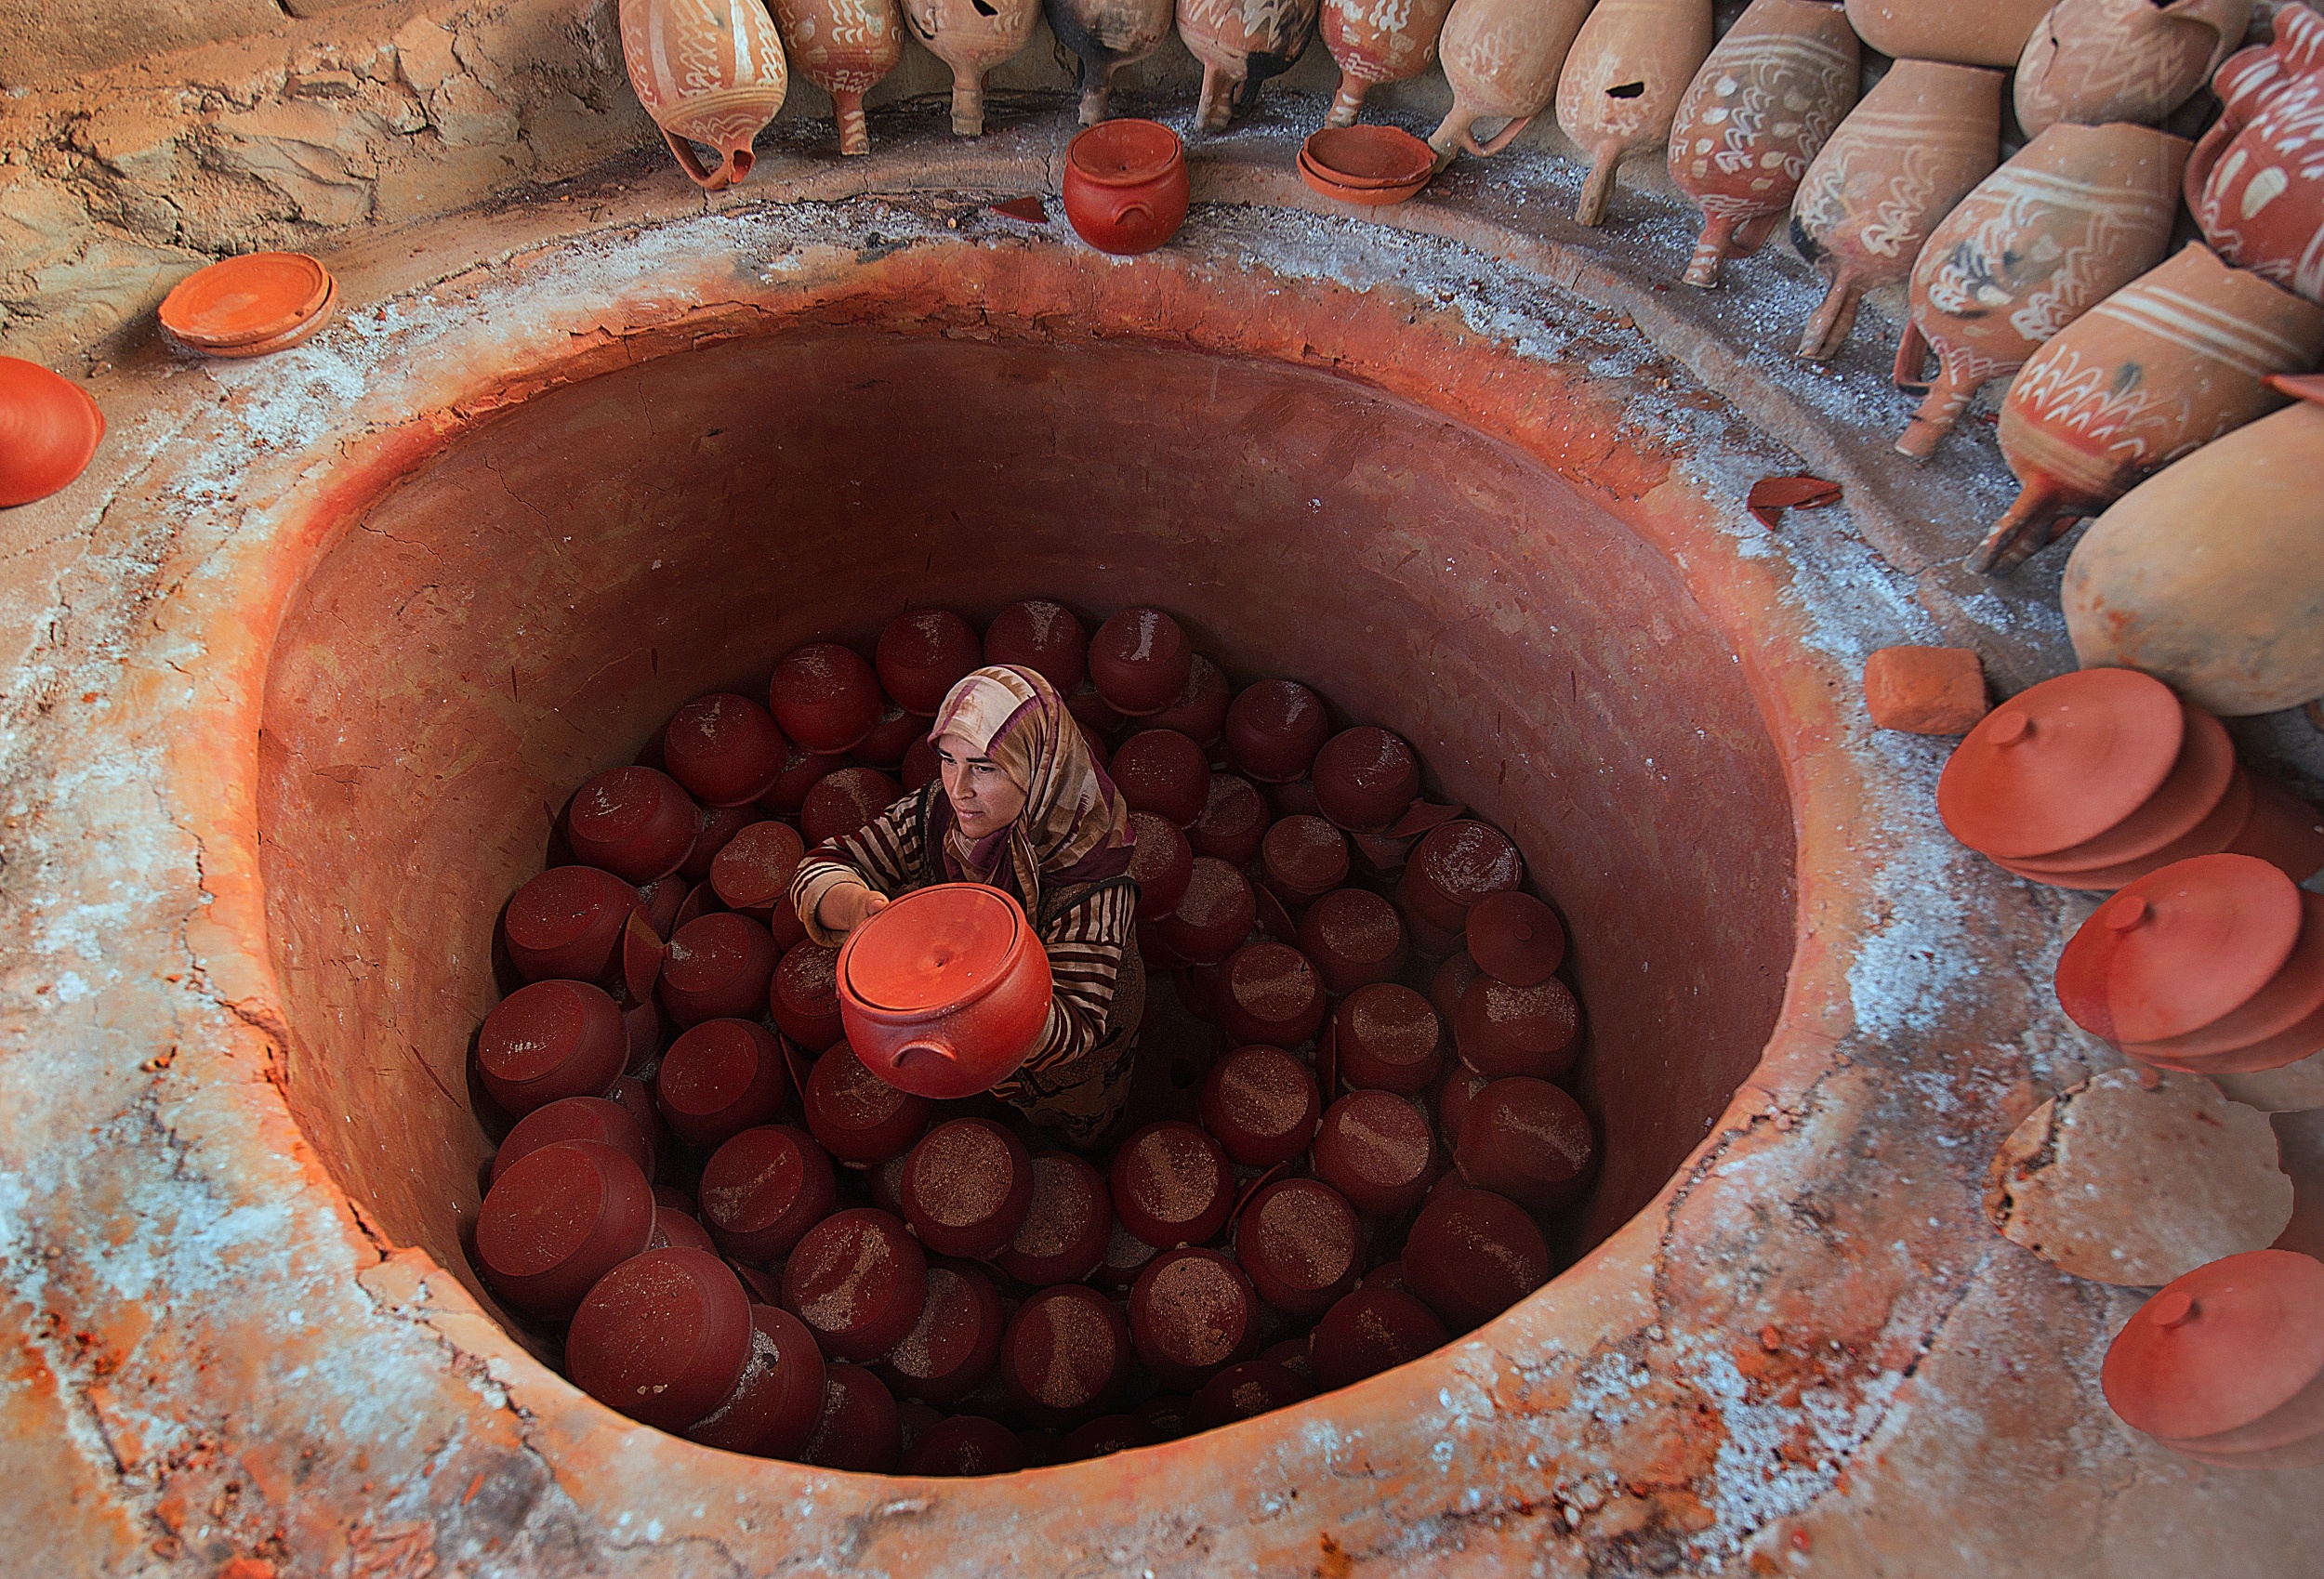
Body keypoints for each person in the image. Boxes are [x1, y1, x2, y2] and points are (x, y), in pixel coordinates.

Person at [789, 664, 1143, 1146]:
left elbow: (1074, 1023)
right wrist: (855, 908)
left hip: (1071, 1055)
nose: (960, 789)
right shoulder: (938, 814)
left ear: (1037, 768)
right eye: (949, 760)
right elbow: (824, 865)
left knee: (1079, 1113)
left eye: (985, 767)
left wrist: (969, 1008)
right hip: (972, 1044)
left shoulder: (1091, 875)